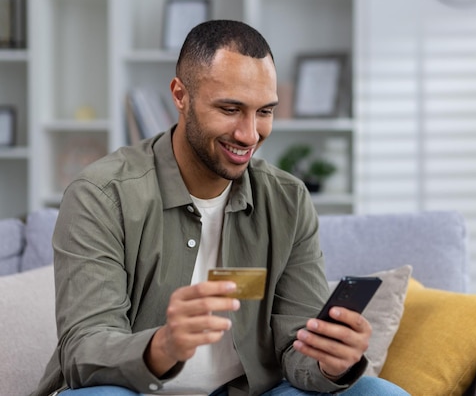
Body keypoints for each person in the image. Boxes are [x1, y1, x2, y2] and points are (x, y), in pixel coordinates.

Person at [33, 20, 408, 396]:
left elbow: (297, 345)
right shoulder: (101, 195)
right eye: (230, 109)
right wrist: (162, 346)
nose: (249, 134)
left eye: (265, 112)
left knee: (378, 393)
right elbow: (84, 348)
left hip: (248, 391)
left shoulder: (287, 201)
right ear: (181, 95)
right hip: (133, 391)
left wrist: (329, 362)